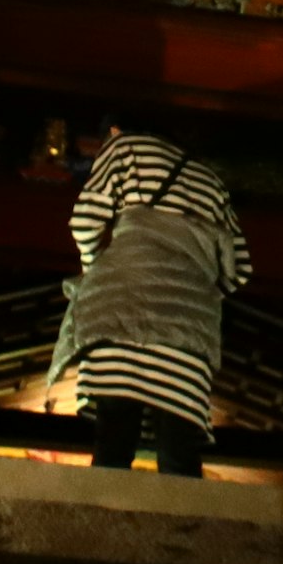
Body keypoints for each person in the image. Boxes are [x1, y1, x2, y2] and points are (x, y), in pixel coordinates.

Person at [49, 114, 251, 477]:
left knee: (113, 448)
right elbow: (239, 271)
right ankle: (182, 530)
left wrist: (100, 270)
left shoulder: (126, 147)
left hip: (119, 310)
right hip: (188, 330)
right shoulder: (213, 183)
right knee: (179, 461)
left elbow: (84, 220)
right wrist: (194, 294)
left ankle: (102, 521)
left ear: (116, 128)